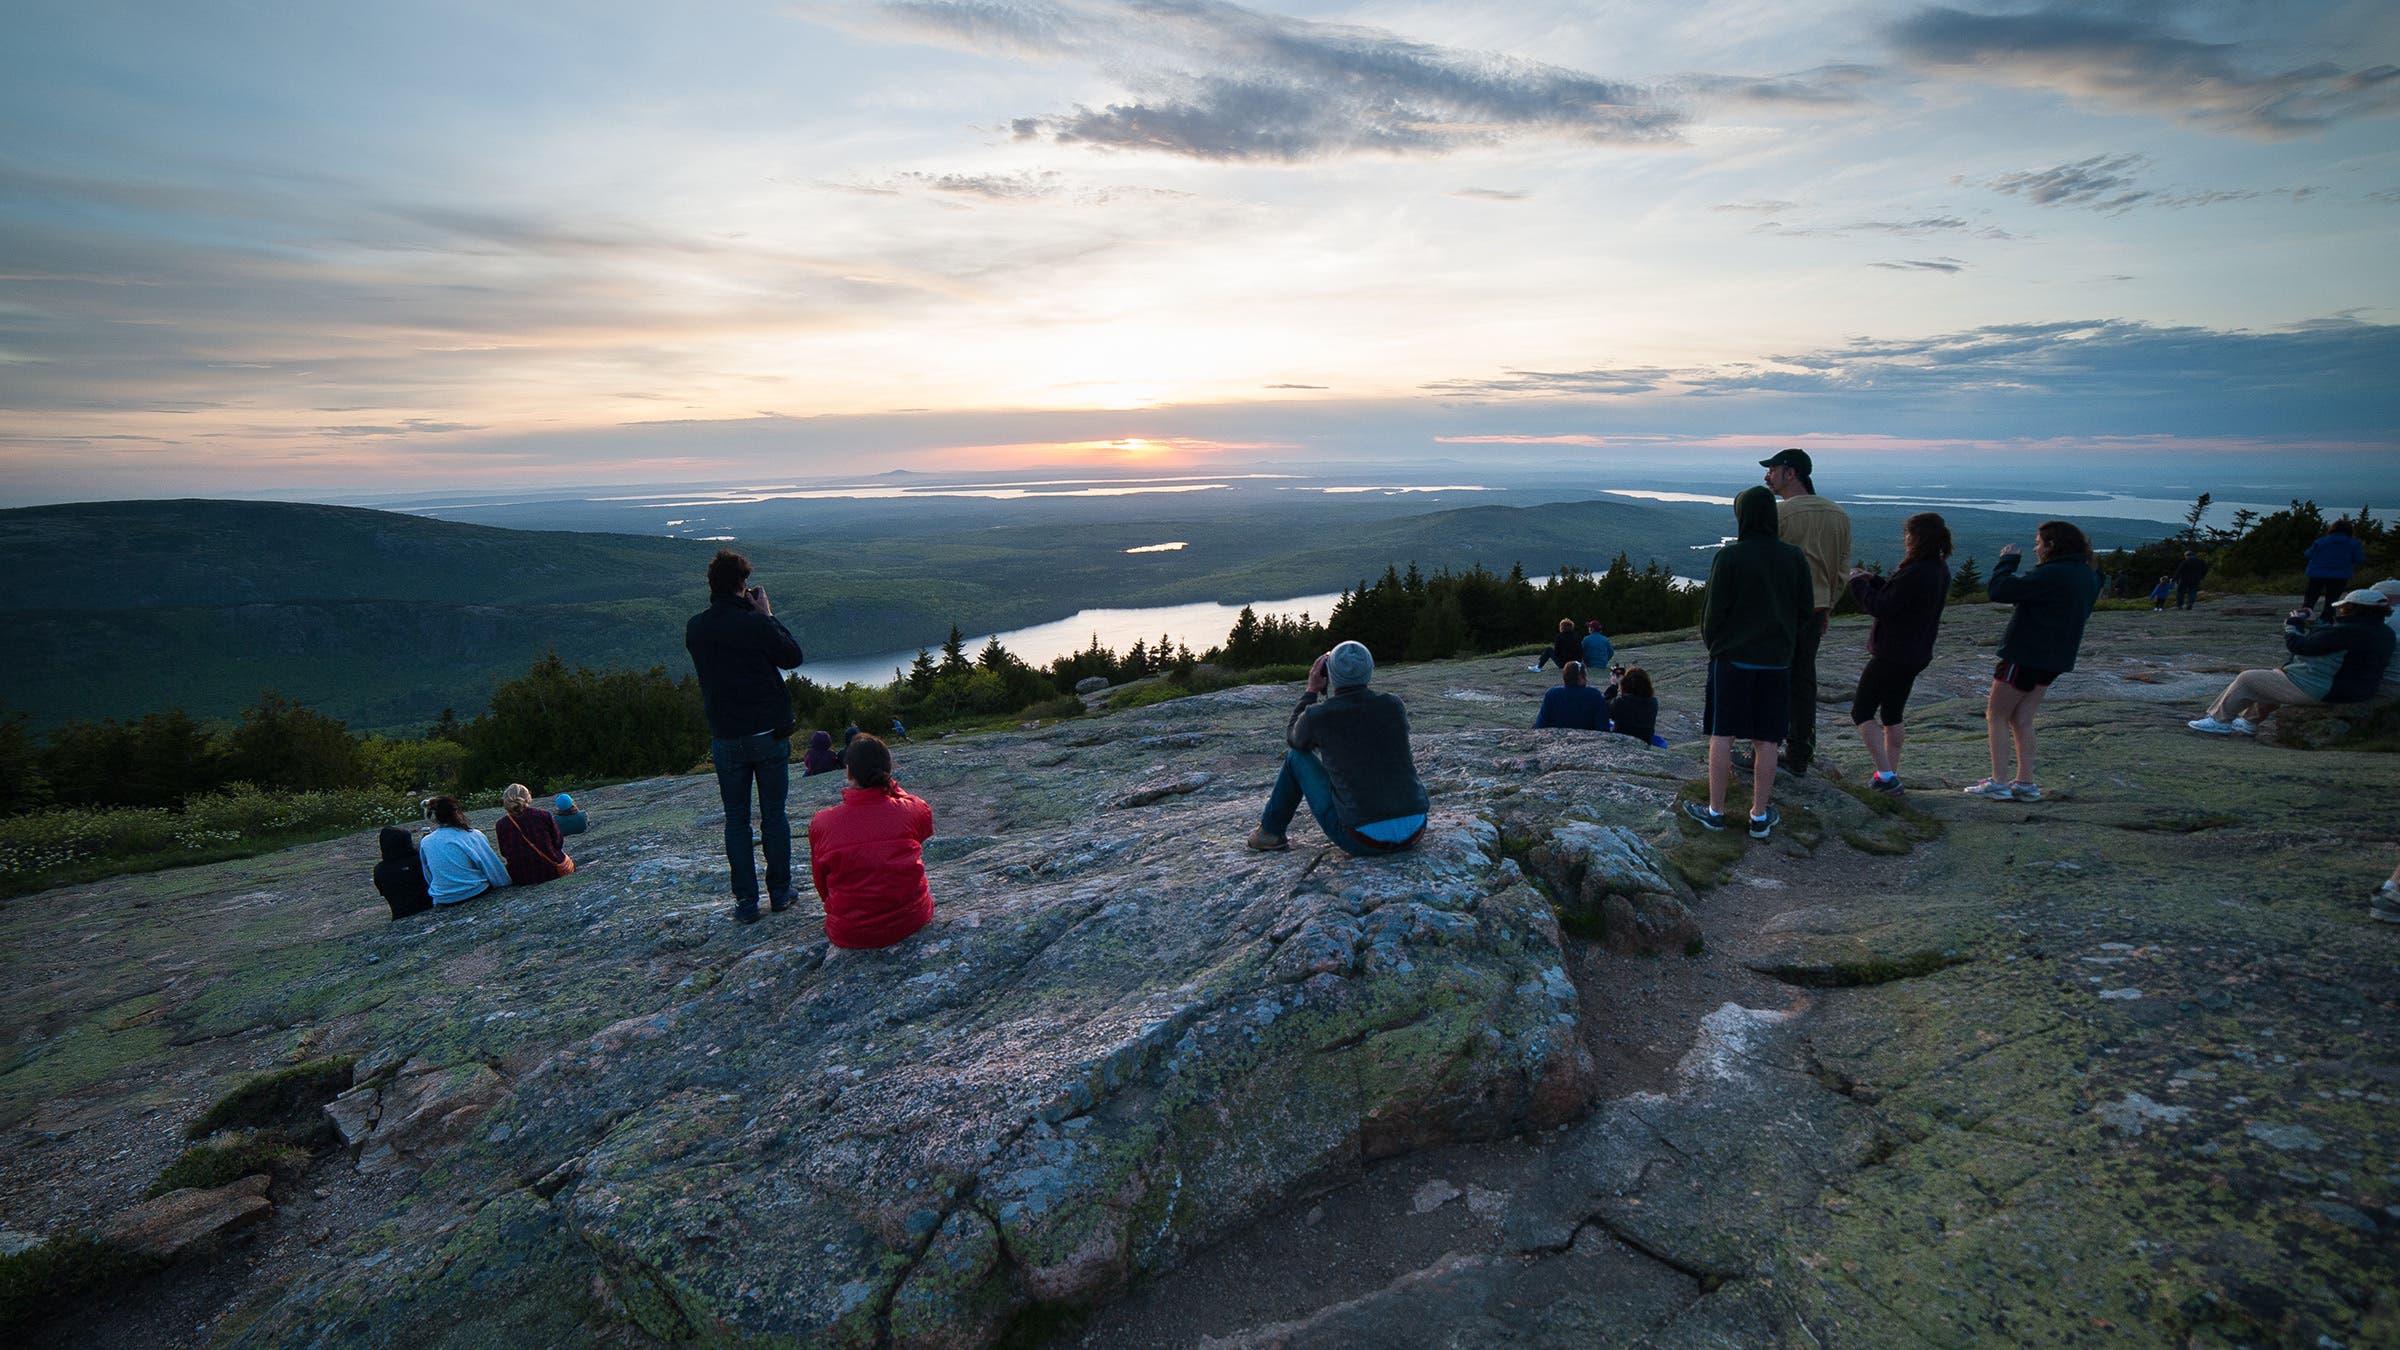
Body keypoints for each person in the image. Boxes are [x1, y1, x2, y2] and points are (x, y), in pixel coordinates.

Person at [1686, 487, 1814, 839]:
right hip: (1775, 663)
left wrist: (1719, 647)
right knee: (1767, 739)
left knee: (1722, 735)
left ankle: (1716, 811)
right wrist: (1782, 640)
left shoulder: (1730, 558)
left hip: (1732, 661)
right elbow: (1805, 610)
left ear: (1742, 516)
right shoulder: (1793, 557)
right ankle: (1759, 816)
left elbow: (1713, 616)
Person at [686, 548, 805, 924]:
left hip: (726, 736)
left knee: (736, 820)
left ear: (711, 585)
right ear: (744, 585)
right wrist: (767, 615)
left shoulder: (697, 627)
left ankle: (746, 903)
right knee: (773, 814)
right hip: (767, 734)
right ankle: (781, 892)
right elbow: (792, 657)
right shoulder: (756, 624)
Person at [1249, 641, 1430, 856]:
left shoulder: (1319, 715)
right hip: (1415, 830)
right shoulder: (1393, 705)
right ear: (1370, 670)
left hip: (1363, 840)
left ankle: (1270, 832)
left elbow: (1294, 740)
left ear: (1329, 674)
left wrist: (1311, 691)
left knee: (1295, 758)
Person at [1965, 521, 2102, 802]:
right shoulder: (2087, 575)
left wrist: (2007, 562)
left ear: (2052, 545)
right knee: (2023, 717)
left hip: (2025, 653)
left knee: (1997, 715)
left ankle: (1999, 782)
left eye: (2039, 542)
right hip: (2056, 658)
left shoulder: (2052, 573)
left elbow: (2000, 590)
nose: (2035, 547)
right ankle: (2025, 783)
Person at [1846, 514, 1953, 794]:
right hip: (1916, 653)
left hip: (1892, 654)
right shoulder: (1938, 568)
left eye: (1908, 533)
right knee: (1892, 714)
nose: (1905, 538)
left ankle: (1886, 776)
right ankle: (1887, 773)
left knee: (1861, 712)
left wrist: (1857, 583)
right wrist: (1878, 580)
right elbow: (1904, 600)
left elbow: (1881, 606)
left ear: (1917, 538)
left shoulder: (1916, 570)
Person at [2187, 590, 2394, 735]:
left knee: (2248, 678)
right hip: (2359, 689)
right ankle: (2248, 722)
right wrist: (2314, 624)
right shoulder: (2385, 632)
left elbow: (2300, 646)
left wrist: (2293, 625)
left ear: (2351, 609)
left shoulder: (2346, 632)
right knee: (2276, 677)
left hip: (2327, 690)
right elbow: (2328, 643)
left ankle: (2218, 721)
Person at [1762, 448, 1851, 778]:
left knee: (1771, 676)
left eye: (1772, 470)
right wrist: (1827, 604)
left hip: (1782, 610)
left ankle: (1768, 747)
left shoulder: (1781, 515)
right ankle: (1799, 749)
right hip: (1815, 609)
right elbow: (1842, 570)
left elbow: (1766, 563)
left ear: (1791, 473)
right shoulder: (1838, 514)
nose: (1767, 476)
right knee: (1803, 678)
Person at [807, 735, 936, 949]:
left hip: (851, 933)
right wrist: (889, 787)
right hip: (913, 918)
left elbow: (822, 885)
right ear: (889, 771)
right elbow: (922, 827)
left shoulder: (822, 822)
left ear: (848, 772)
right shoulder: (913, 810)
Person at [418, 796, 511, 908]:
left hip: (443, 897)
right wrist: (504, 884)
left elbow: (428, 873)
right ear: (456, 812)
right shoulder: (472, 835)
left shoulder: (426, 841)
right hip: (473, 890)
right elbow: (490, 865)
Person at [495, 783, 572, 887]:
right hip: (550, 870)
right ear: (528, 797)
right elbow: (558, 843)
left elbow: (504, 852)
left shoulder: (501, 824)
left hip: (522, 876)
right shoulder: (543, 815)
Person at [2303, 519, 2366, 617]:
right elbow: (2359, 559)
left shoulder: (2321, 542)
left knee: (2311, 597)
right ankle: (2326, 619)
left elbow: (2308, 554)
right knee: (2332, 599)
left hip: (2317, 573)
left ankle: (2304, 616)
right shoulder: (2354, 544)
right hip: (2340, 575)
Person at [372, 826, 431, 921]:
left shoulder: (380, 870)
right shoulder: (419, 860)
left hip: (400, 915)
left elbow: (382, 892)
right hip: (429, 907)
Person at [1534, 661, 1610, 731]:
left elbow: (1541, 724)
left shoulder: (1552, 694)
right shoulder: (1594, 694)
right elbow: (1603, 726)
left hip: (1557, 741)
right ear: (1581, 677)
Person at [1604, 665, 1660, 744]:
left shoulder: (1620, 702)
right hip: (1645, 742)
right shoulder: (1653, 703)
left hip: (1621, 743)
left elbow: (1604, 707)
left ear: (1625, 684)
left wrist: (1614, 685)